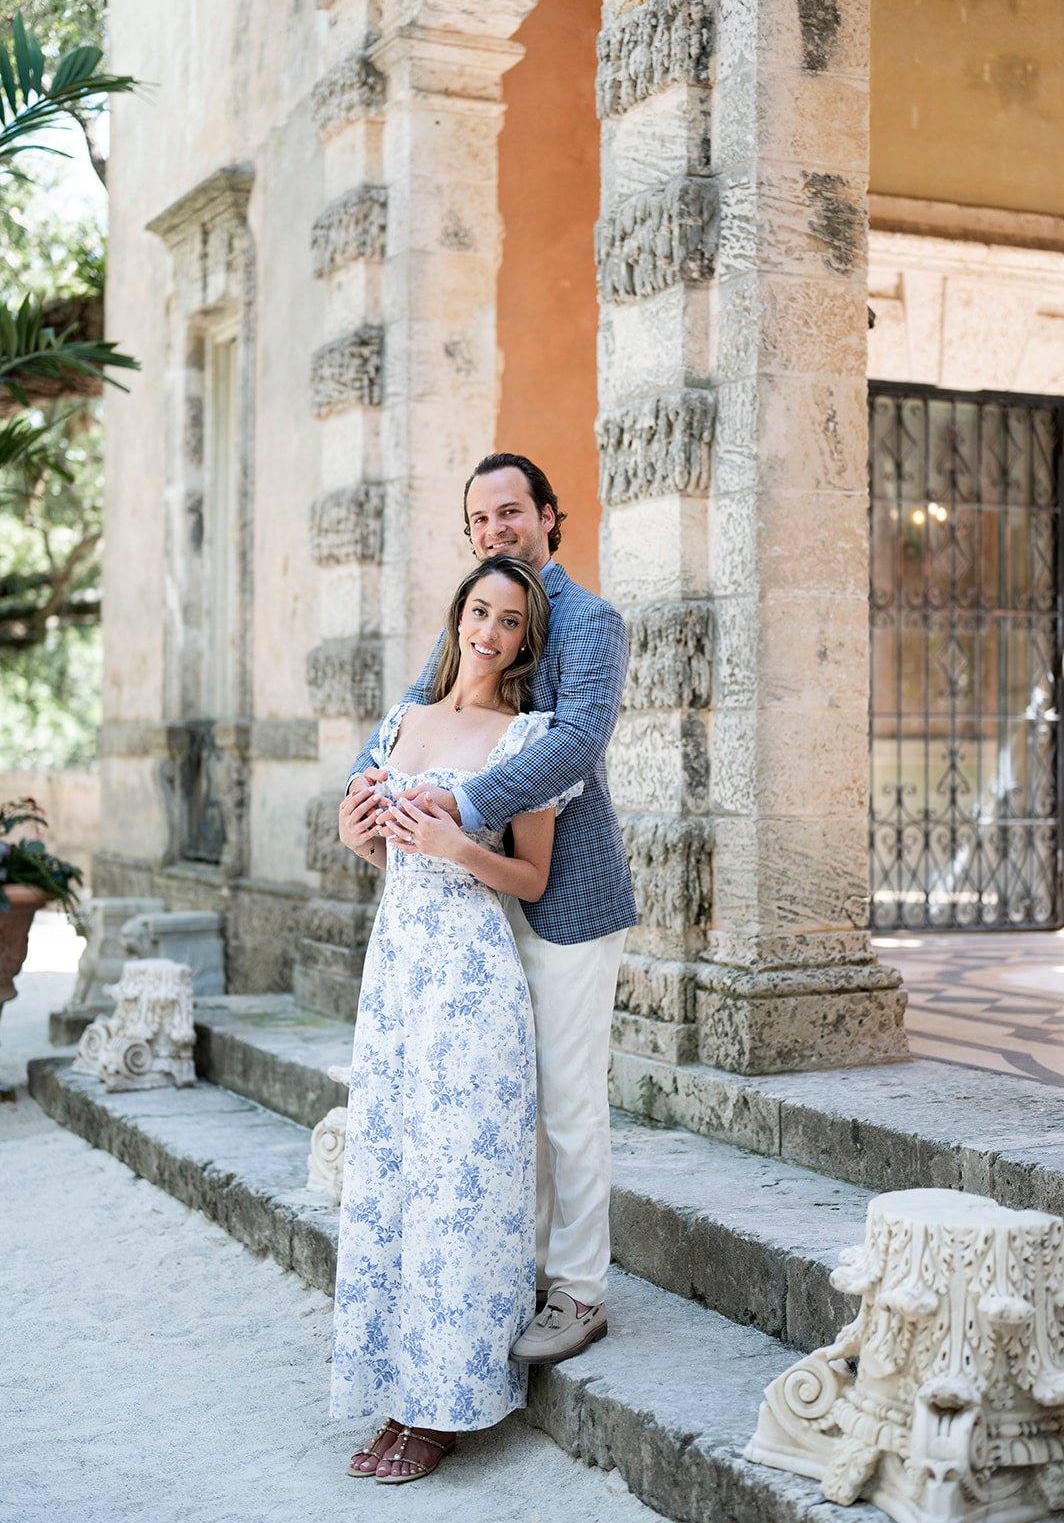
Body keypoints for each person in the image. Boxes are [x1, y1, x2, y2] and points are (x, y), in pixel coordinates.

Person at [341, 453, 637, 1382]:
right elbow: (409, 714)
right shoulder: (476, 606)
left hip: (566, 892)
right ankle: (512, 1274)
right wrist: (360, 796)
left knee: (567, 1097)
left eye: (511, 511)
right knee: (497, 1100)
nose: (495, 528)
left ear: (550, 515)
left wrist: (457, 813)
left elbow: (579, 740)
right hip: (464, 905)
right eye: (479, 518)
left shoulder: (590, 622)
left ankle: (579, 1288)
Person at [331, 554, 580, 1485]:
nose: (489, 631)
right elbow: (369, 848)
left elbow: (531, 879)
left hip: (473, 983)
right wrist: (362, 833)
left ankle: (445, 1408)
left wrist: (452, 842)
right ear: (459, 615)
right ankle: (396, 1393)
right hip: (395, 977)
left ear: (525, 641)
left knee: (458, 1188)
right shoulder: (403, 722)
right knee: (395, 1178)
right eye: (480, 611)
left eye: (510, 621)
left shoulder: (528, 739)